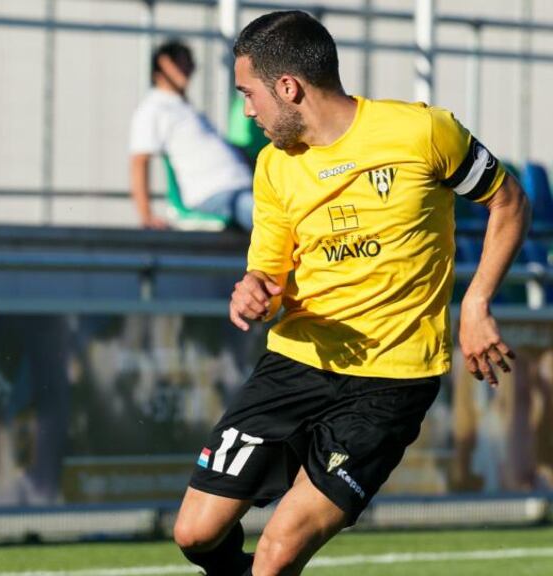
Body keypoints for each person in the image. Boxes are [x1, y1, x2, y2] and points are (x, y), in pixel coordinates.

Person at [172, 11, 530, 576]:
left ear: (288, 88)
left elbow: (508, 200)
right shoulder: (273, 167)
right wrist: (253, 293)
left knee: (277, 553)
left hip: (391, 382)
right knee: (195, 534)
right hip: (293, 365)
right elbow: (268, 275)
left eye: (249, 94)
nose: (247, 111)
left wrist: (477, 303)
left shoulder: (424, 132)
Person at [129, 39, 254, 230]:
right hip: (216, 195)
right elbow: (139, 160)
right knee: (271, 218)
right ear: (164, 64)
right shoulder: (154, 108)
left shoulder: (185, 108)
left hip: (244, 190)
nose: (188, 69)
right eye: (181, 63)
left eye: (190, 64)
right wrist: (146, 215)